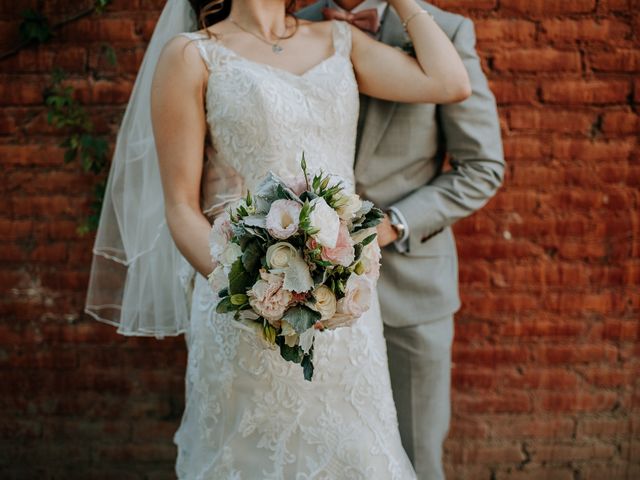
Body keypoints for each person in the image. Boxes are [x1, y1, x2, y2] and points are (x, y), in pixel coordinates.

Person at [84, 0, 471, 477]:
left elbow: (449, 82)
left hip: (341, 303)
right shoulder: (192, 55)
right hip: (247, 301)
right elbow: (180, 207)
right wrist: (251, 292)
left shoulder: (338, 40)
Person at [296, 1, 505, 479]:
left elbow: (482, 168)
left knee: (416, 459)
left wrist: (394, 223)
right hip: (305, 294)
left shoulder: (445, 32)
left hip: (410, 295)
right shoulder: (292, 27)